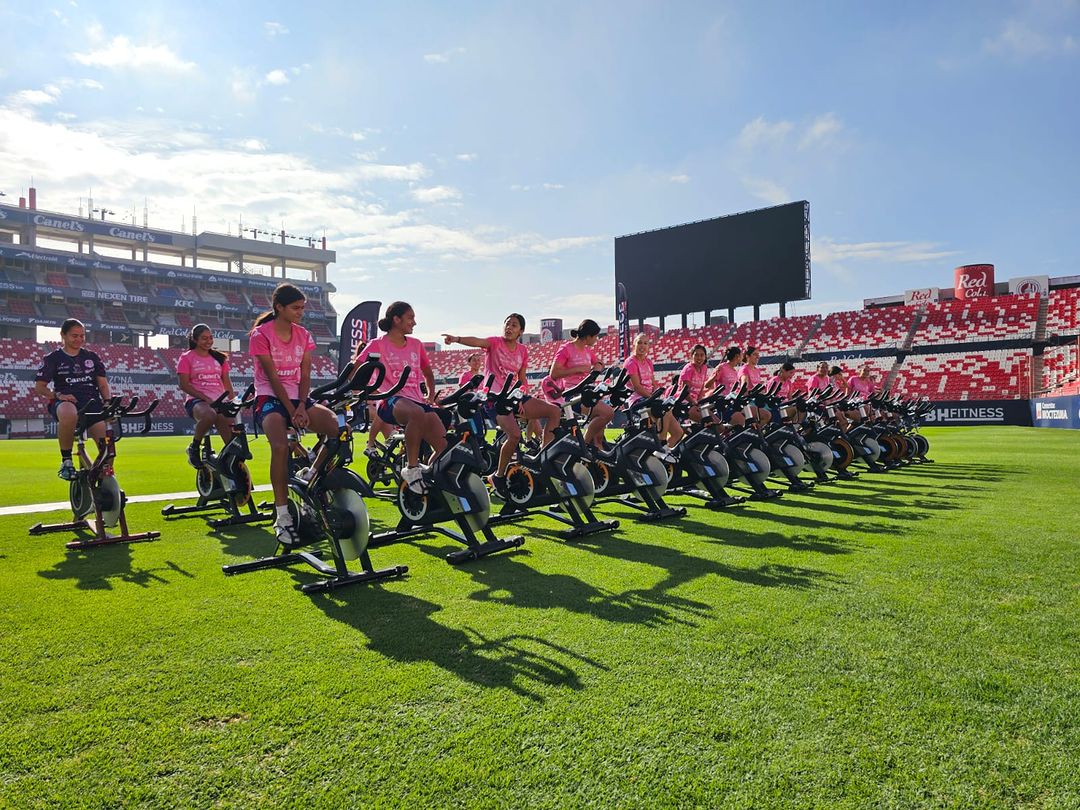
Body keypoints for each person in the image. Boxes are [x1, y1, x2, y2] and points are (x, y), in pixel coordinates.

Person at [250, 283, 339, 545]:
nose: (301, 312)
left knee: (336, 427)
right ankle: (282, 515)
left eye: (302, 308)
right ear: (279, 308)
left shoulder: (304, 334)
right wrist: (291, 410)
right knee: (280, 447)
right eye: (296, 308)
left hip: (297, 398)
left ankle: (310, 474)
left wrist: (301, 406)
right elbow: (271, 376)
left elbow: (306, 374)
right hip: (270, 397)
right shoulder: (260, 334)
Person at [443, 313, 562, 495]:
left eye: (514, 325)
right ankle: (497, 476)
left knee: (554, 411)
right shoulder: (495, 342)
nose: (509, 328)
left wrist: (523, 395)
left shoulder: (522, 350)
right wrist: (457, 339)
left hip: (514, 396)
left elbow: (522, 378)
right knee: (514, 435)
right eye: (507, 324)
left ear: (520, 331)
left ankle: (544, 458)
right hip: (494, 399)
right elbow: (477, 341)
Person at [355, 301, 444, 494]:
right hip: (390, 401)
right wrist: (360, 389)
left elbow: (428, 372)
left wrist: (429, 395)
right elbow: (356, 367)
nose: (414, 322)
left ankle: (427, 477)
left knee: (443, 447)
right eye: (410, 317)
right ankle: (412, 468)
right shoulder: (377, 344)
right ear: (396, 319)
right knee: (416, 413)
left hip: (417, 402)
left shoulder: (416, 344)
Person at [35, 318, 110, 480]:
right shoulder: (53, 358)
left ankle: (104, 476)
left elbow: (103, 385)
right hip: (65, 402)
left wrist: (107, 403)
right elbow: (40, 387)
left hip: (91, 403)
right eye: (74, 336)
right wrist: (57, 395)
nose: (79, 339)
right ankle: (66, 461)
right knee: (69, 411)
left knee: (106, 449)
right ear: (63, 335)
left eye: (82, 336)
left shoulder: (92, 357)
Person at [540, 318, 613, 450]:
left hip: (587, 392)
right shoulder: (566, 349)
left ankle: (596, 451)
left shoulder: (587, 351)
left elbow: (600, 363)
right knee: (607, 413)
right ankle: (583, 444)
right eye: (595, 336)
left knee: (599, 436)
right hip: (573, 394)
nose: (596, 340)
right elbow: (554, 373)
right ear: (588, 336)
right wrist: (577, 369)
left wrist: (597, 367)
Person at [177, 323, 236, 468]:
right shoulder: (186, 358)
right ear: (195, 340)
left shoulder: (219, 358)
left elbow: (227, 383)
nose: (209, 341)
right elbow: (184, 385)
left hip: (219, 401)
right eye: (204, 338)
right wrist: (204, 398)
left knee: (232, 441)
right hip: (197, 401)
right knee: (209, 415)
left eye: (210, 338)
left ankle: (230, 465)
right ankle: (194, 447)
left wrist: (234, 401)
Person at [624, 332, 683, 456]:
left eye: (645, 343)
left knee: (678, 432)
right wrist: (653, 398)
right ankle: (661, 444)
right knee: (664, 409)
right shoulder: (630, 362)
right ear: (634, 344)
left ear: (649, 347)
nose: (642, 346)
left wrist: (659, 394)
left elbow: (652, 382)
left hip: (650, 398)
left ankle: (659, 454)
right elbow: (637, 387)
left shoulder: (649, 362)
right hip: (637, 400)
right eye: (639, 342)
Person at [704, 346, 746, 427]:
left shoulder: (734, 371)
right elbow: (707, 385)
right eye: (741, 355)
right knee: (740, 419)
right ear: (737, 356)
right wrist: (714, 377)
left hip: (731, 402)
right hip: (722, 402)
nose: (742, 357)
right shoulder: (721, 367)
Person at [738, 346, 771, 427]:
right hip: (747, 401)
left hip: (756, 399)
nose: (758, 356)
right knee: (767, 415)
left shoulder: (757, 370)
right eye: (755, 354)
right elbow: (744, 386)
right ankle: (756, 432)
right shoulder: (744, 369)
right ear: (747, 356)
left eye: (758, 354)